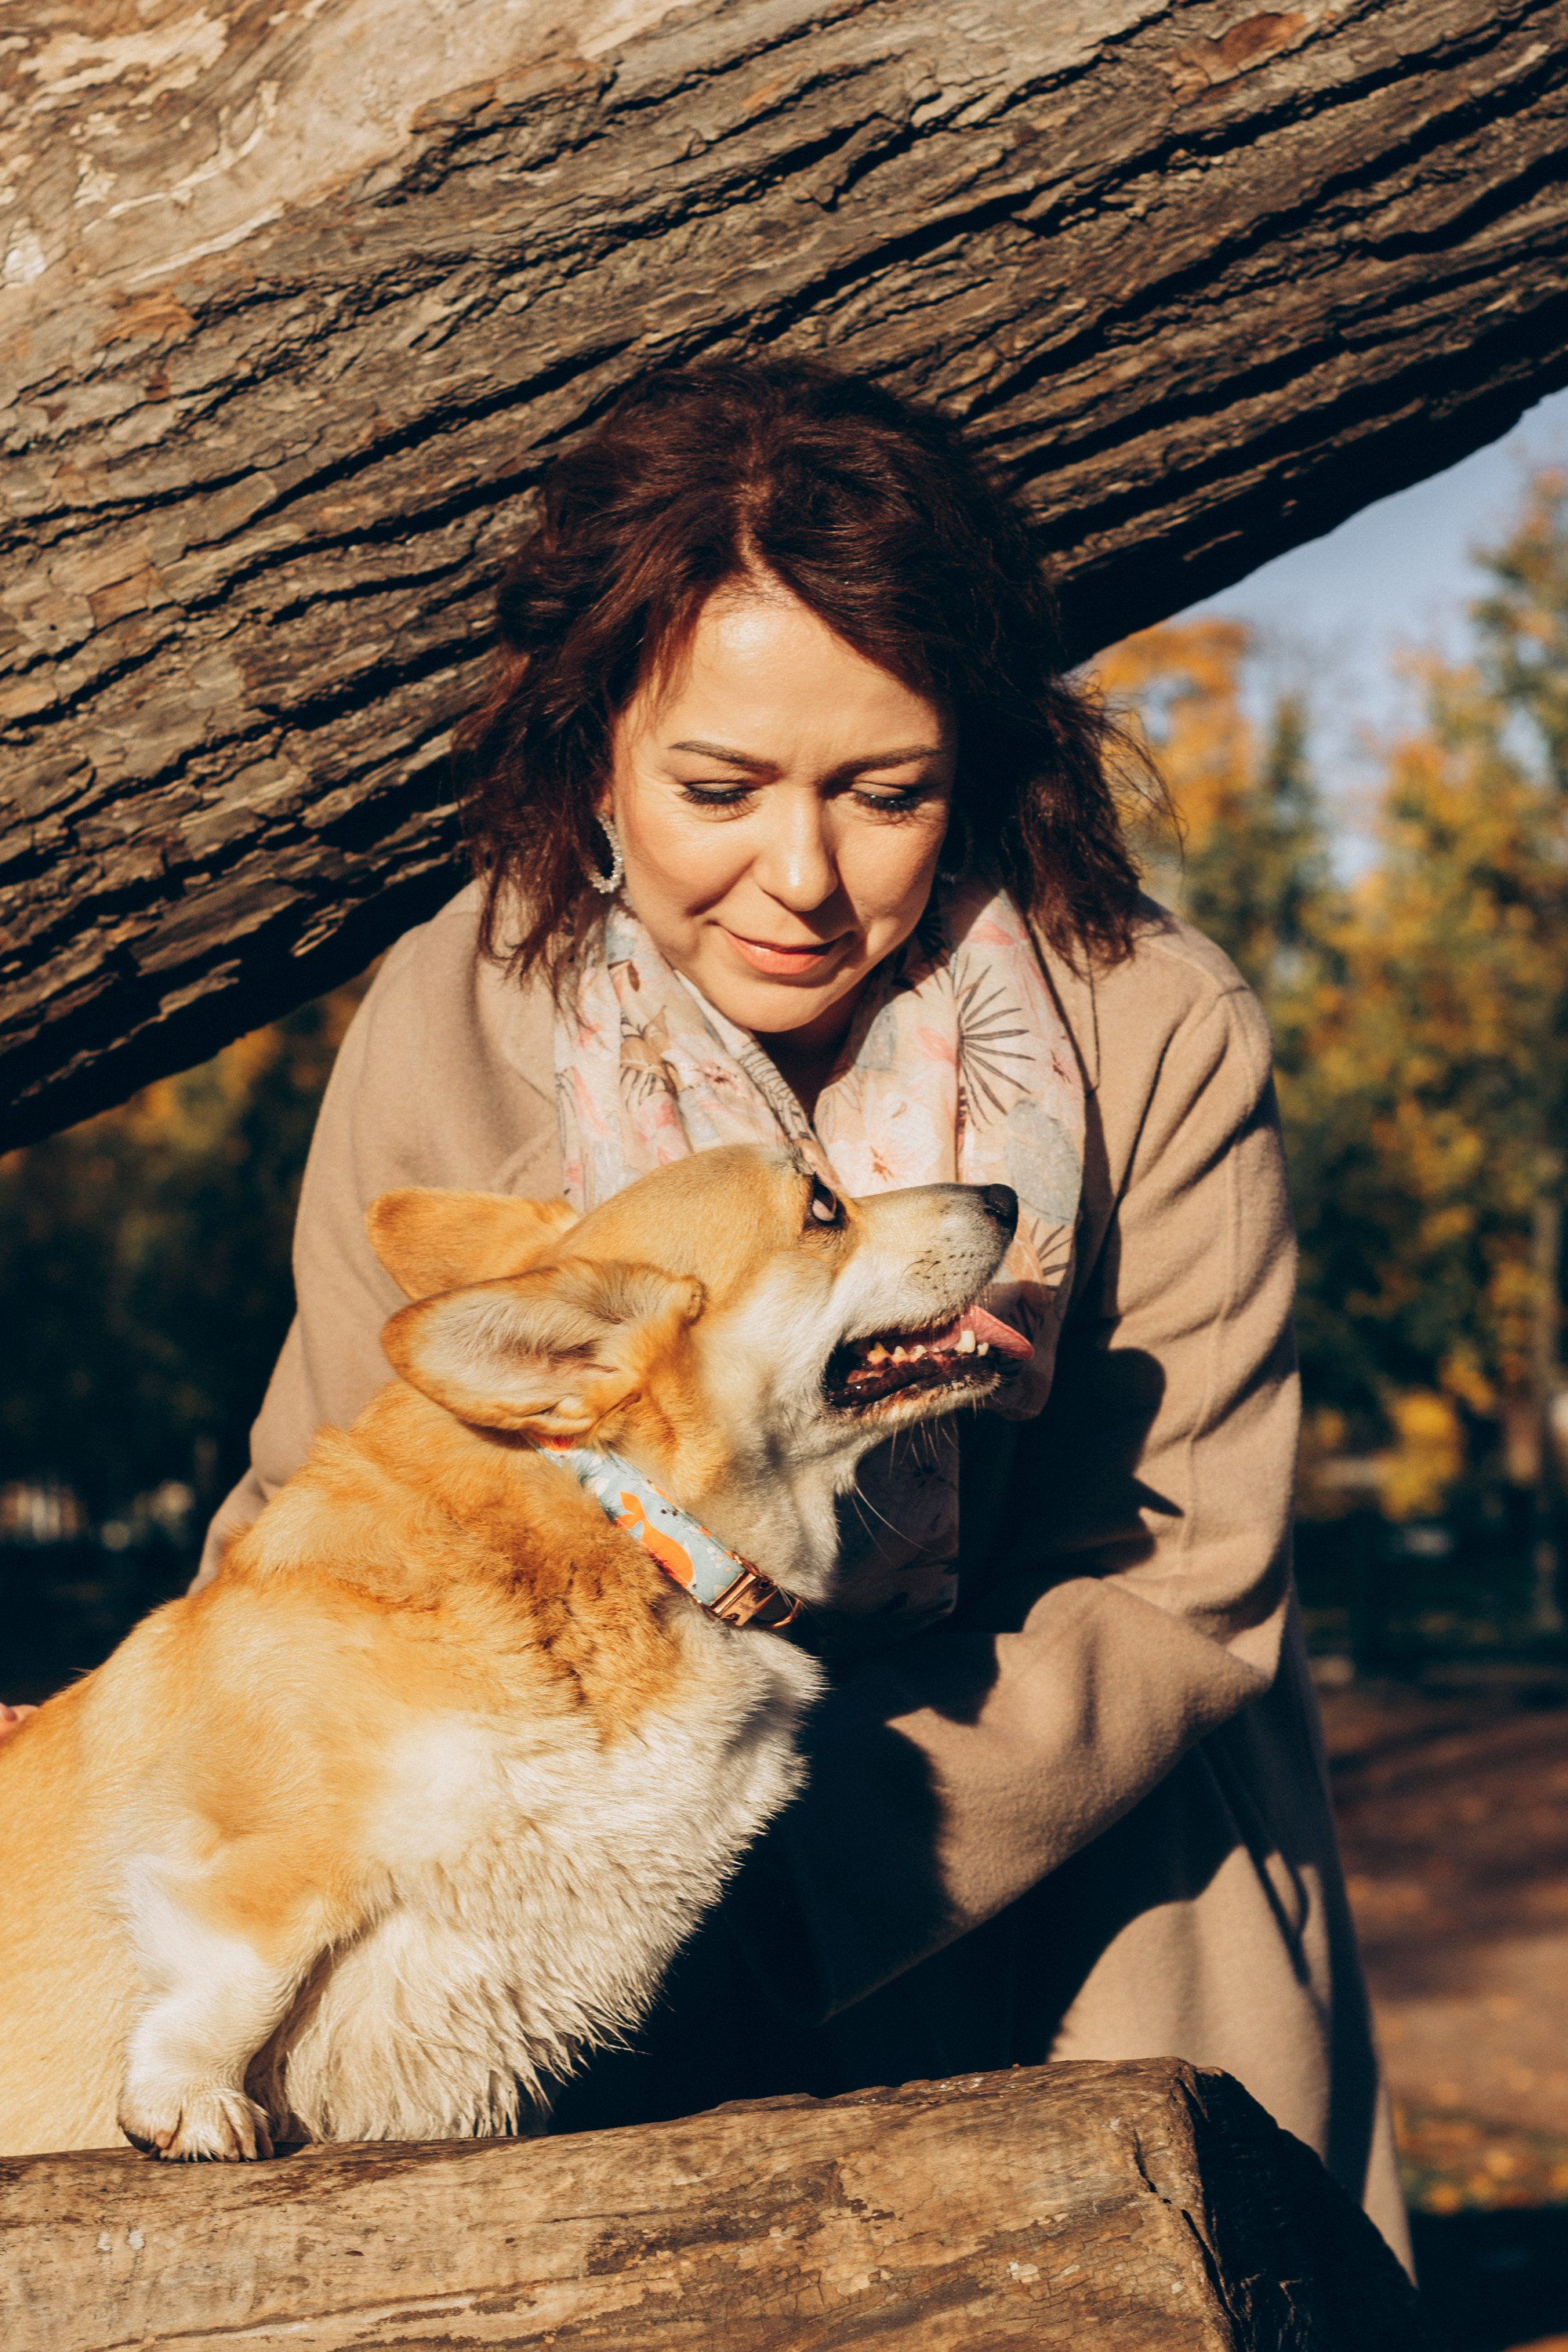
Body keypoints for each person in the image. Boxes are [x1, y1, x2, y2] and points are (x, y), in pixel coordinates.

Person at [42, 359, 1416, 2262]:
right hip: (564, 1907)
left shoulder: (1149, 1019)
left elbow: (1179, 1582)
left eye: (885, 791)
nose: (800, 876)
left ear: (979, 762)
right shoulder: (453, 1013)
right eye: (718, 787)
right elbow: (313, 1527)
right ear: (591, 740)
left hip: (1075, 1871)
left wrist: (772, 1879)